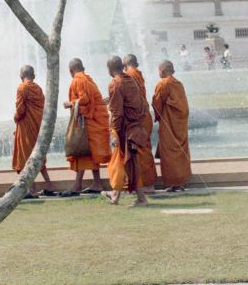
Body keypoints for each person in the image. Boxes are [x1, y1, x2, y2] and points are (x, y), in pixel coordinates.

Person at [101, 56, 149, 207]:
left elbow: (117, 112)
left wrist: (114, 131)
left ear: (109, 70)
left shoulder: (115, 83)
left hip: (124, 129)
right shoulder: (130, 80)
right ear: (122, 66)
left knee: (126, 162)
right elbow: (138, 103)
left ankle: (140, 199)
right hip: (134, 125)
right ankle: (116, 194)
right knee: (127, 162)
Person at [62, 58, 111, 196]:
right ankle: (97, 183)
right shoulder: (89, 79)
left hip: (89, 120)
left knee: (83, 152)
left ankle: (77, 186)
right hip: (94, 119)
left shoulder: (78, 80)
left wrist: (70, 104)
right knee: (90, 153)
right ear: (83, 67)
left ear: (70, 71)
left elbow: (85, 100)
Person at [12, 65, 57, 198]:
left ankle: (32, 190)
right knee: (38, 157)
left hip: (26, 127)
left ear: (21, 77)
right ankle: (49, 185)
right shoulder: (38, 88)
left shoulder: (22, 87)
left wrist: (15, 118)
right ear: (34, 76)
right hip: (36, 126)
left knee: (26, 158)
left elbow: (20, 110)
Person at [152, 61, 191, 192]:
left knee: (169, 152)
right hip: (179, 125)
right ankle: (182, 181)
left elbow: (157, 103)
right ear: (172, 71)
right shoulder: (179, 84)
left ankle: (175, 183)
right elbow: (184, 106)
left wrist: (157, 117)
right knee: (180, 151)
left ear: (161, 71)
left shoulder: (163, 84)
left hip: (169, 124)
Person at [123, 54, 157, 193]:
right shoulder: (138, 74)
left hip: (137, 117)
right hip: (144, 115)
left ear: (124, 65)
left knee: (140, 150)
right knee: (144, 149)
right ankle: (145, 184)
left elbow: (129, 98)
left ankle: (147, 185)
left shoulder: (129, 75)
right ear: (136, 64)